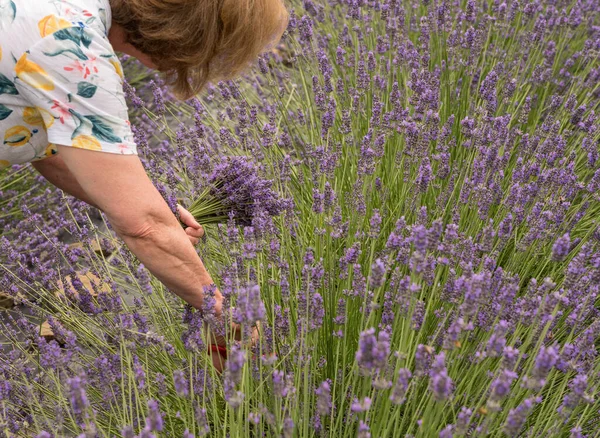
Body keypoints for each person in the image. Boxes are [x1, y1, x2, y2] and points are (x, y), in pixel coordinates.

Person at [0, 0, 288, 372]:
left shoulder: (65, 13)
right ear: (192, 33)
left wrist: (153, 205)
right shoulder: (73, 47)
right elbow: (143, 226)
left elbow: (48, 149)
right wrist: (223, 315)